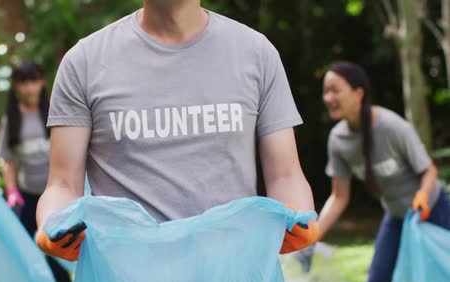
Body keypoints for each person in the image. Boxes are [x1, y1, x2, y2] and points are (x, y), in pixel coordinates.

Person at [35, 0, 319, 264]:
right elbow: (62, 184)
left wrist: (299, 220)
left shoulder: (256, 53)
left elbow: (286, 175)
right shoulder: (84, 62)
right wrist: (53, 224)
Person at [317, 61, 450, 282]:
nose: (328, 98)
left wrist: (423, 197)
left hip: (433, 211)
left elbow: (429, 171)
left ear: (358, 93)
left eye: (335, 90)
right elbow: (339, 197)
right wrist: (312, 234)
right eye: (325, 91)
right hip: (398, 217)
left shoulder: (392, 126)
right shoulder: (338, 141)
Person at [0, 60, 72, 282]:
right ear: (16, 86)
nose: (29, 87)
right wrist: (12, 191)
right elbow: (9, 161)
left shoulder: (55, 111)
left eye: (34, 80)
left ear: (42, 81)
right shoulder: (11, 120)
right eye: (23, 82)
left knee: (56, 254)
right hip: (26, 199)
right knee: (26, 255)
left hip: (55, 194)